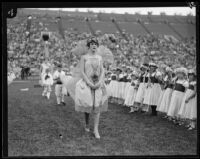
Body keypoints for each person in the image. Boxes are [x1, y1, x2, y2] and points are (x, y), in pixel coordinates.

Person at [65, 37, 108, 139]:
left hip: (98, 84)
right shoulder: (84, 57)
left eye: (95, 44)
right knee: (87, 105)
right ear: (89, 46)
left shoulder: (99, 57)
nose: (94, 45)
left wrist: (100, 81)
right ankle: (87, 123)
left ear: (97, 46)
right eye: (92, 44)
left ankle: (96, 129)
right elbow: (82, 72)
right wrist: (89, 82)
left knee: (97, 106)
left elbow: (102, 71)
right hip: (86, 83)